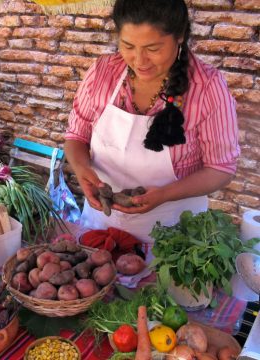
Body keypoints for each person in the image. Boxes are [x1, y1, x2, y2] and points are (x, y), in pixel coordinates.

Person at [64, 0, 239, 259]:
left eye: (153, 48)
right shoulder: (104, 72)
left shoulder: (207, 87)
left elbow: (221, 169)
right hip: (102, 228)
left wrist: (165, 194)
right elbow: (76, 136)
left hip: (173, 239)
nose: (139, 60)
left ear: (179, 36)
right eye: (128, 46)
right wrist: (81, 170)